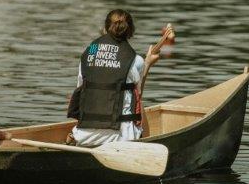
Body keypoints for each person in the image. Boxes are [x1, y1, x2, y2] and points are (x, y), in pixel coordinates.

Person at [67, 10, 173, 147]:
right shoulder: (135, 60)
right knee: (139, 101)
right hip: (122, 138)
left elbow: (80, 91)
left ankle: (73, 137)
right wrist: (147, 64)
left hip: (84, 136)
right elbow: (138, 95)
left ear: (105, 28)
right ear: (130, 32)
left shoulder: (89, 52)